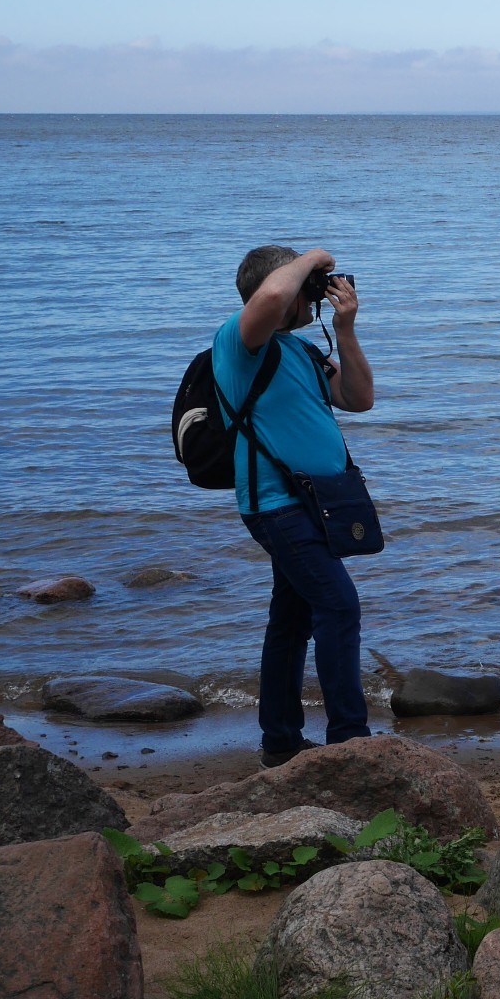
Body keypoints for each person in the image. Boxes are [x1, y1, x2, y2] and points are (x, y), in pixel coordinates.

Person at [213, 246, 376, 767]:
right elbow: (273, 294)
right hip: (276, 504)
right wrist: (313, 256)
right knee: (339, 606)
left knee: (291, 620)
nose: (314, 293)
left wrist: (346, 329)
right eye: (311, 284)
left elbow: (359, 398)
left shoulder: (301, 351)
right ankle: (350, 740)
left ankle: (281, 742)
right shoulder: (239, 341)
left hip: (319, 504)